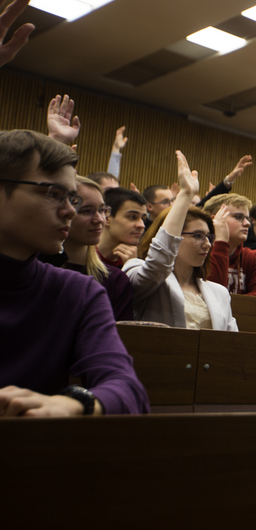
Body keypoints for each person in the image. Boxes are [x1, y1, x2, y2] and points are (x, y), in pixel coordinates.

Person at [0, 129, 148, 416]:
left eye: (72, 198)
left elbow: (127, 389)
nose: (69, 210)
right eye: (54, 194)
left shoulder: (78, 292)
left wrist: (71, 403)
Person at [124, 151, 238, 331]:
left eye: (209, 237)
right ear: (175, 236)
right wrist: (185, 195)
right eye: (198, 236)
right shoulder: (138, 272)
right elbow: (159, 264)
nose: (208, 244)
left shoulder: (220, 293)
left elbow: (231, 343)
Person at [42, 176, 134, 321]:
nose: (100, 219)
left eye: (102, 210)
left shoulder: (114, 280)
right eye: (86, 211)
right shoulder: (37, 270)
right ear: (64, 212)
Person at [202, 194, 256, 298]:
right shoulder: (199, 253)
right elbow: (211, 297)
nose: (247, 224)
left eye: (247, 218)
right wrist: (221, 243)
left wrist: (228, 304)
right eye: (238, 217)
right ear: (215, 220)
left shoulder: (253, 258)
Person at [97, 187, 148, 268]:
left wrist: (132, 268)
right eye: (132, 217)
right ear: (106, 218)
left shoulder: (138, 263)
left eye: (143, 219)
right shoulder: (81, 256)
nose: (142, 225)